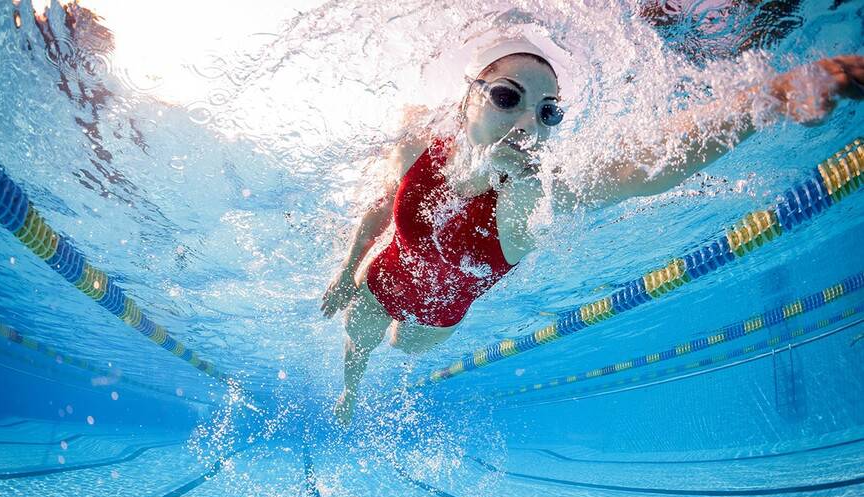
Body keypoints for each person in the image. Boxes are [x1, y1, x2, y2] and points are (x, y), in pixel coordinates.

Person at [321, 37, 864, 426]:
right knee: (361, 340)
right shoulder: (419, 138)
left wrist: (769, 96)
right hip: (384, 278)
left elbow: (645, 166)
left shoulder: (537, 197)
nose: (527, 123)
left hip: (440, 314)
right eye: (507, 97)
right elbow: (379, 204)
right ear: (468, 98)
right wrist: (348, 271)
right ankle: (350, 391)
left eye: (547, 112)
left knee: (405, 346)